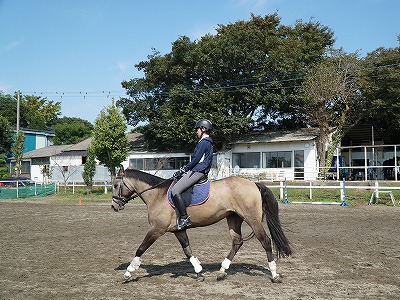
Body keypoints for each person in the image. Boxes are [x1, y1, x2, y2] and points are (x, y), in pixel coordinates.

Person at [171, 119, 214, 230]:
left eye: (197, 129)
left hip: (198, 171)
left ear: (203, 129)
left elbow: (196, 160)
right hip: (199, 170)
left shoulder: (204, 142)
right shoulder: (207, 142)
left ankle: (184, 217)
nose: (196, 132)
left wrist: (183, 169)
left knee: (175, 190)